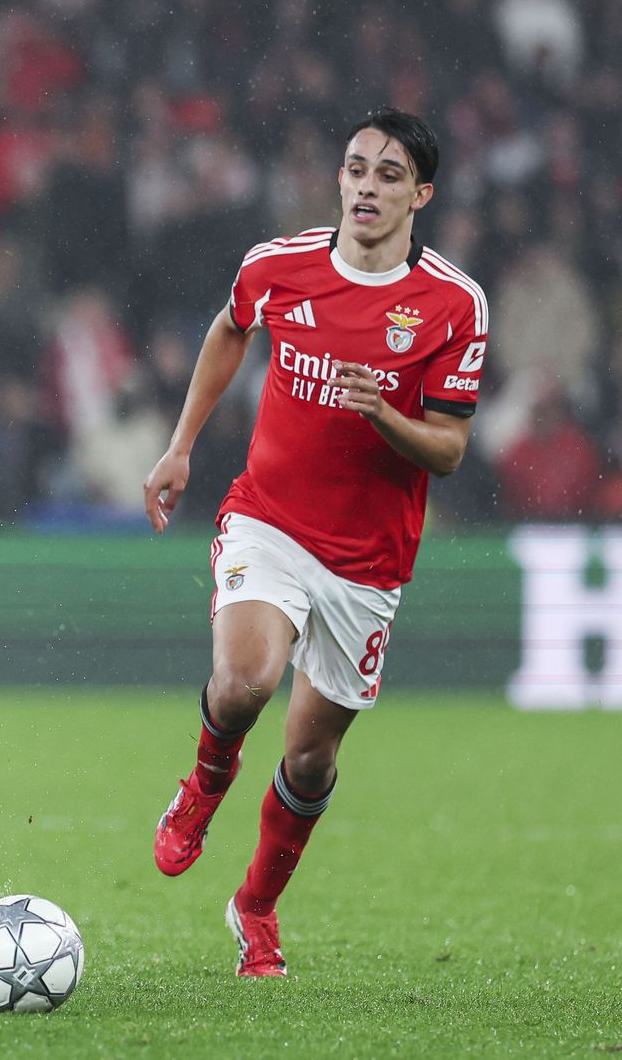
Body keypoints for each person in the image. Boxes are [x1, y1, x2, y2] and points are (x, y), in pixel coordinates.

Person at [141, 107, 487, 977]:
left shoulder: (452, 304)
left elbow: (447, 449)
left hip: (369, 564)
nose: (366, 186)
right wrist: (181, 445)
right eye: (355, 168)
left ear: (422, 194)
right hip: (269, 518)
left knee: (310, 755)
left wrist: (387, 415)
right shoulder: (278, 265)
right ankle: (204, 784)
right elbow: (229, 328)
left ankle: (255, 906)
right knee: (245, 678)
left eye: (389, 175)